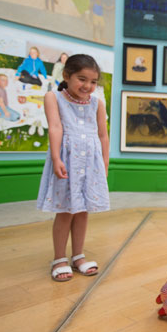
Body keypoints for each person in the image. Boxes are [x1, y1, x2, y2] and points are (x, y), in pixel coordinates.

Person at [36, 54, 110, 282]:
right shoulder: (53, 97)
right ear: (66, 76)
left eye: (93, 81)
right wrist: (57, 157)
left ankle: (78, 255)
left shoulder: (97, 102)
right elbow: (56, 128)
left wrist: (104, 166)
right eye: (82, 79)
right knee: (65, 210)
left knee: (83, 210)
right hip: (67, 161)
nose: (88, 86)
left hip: (90, 163)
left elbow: (102, 135)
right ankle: (59, 258)